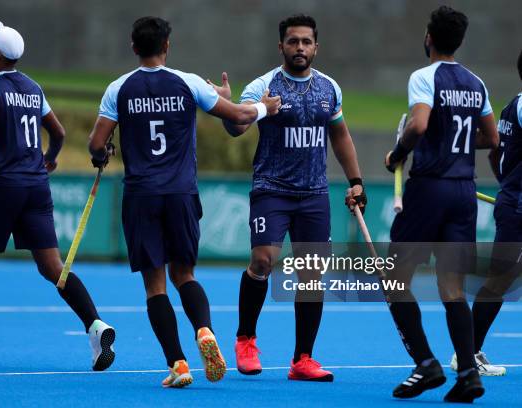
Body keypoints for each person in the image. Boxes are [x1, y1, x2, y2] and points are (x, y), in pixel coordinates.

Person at [87, 16, 281, 388]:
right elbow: (240, 115)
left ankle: (178, 364)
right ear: (167, 46)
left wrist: (104, 151)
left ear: (133, 47)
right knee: (184, 275)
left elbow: (97, 144)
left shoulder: (119, 88)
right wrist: (264, 109)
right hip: (181, 194)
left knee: (155, 285)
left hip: (142, 195)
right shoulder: (187, 82)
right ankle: (205, 331)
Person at [0, 21, 115, 372]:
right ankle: (95, 325)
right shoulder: (34, 88)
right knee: (53, 267)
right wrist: (49, 159)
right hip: (36, 187)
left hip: (2, 186)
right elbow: (59, 132)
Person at [214, 14, 366, 382]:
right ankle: (246, 340)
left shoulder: (330, 88)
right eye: (293, 41)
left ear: (316, 47)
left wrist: (356, 180)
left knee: (312, 276)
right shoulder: (263, 86)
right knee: (263, 261)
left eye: (306, 42)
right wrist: (226, 106)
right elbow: (237, 127)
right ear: (280, 45)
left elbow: (340, 135)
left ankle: (303, 359)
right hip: (272, 190)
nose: (300, 47)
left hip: (314, 195)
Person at [384, 6, 499, 402]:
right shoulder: (475, 82)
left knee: (393, 278)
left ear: (429, 37)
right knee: (451, 287)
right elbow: (491, 139)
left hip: (430, 189)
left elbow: (417, 125)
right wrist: (457, 141)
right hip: (464, 193)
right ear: (460, 40)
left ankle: (426, 364)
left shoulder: (424, 76)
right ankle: (468, 373)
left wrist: (398, 153)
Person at [450, 49, 522, 377]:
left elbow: (496, 152)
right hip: (517, 208)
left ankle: (469, 351)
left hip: (513, 202)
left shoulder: (512, 105)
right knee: (500, 279)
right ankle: (467, 353)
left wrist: (508, 187)